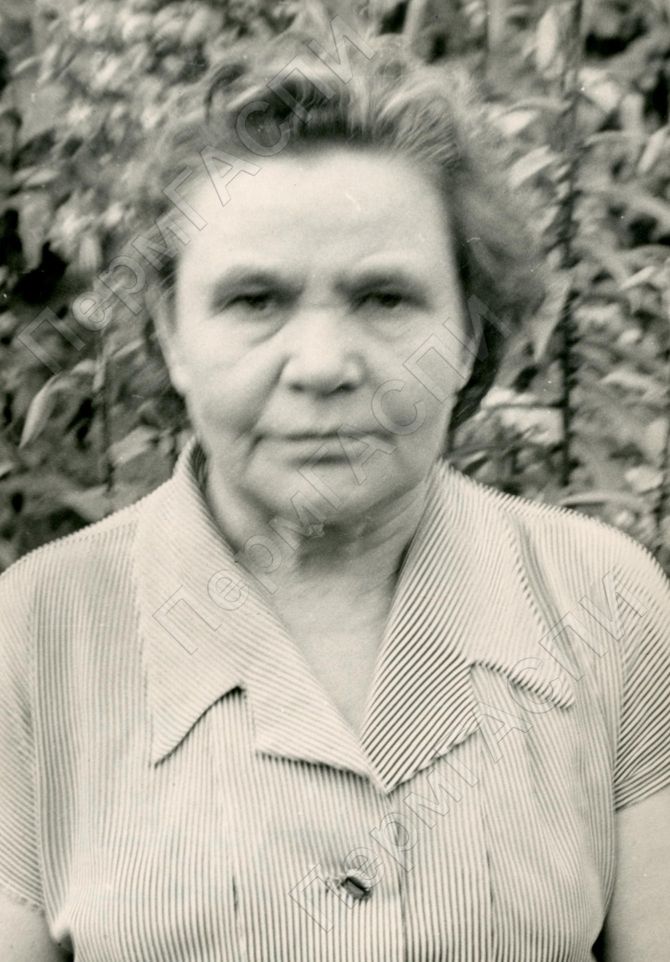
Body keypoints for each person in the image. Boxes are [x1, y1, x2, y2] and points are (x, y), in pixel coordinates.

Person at [1, 24, 669, 962]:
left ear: (470, 333)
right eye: (255, 301)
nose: (321, 365)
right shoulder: (33, 638)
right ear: (172, 334)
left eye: (385, 298)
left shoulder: (606, 604)